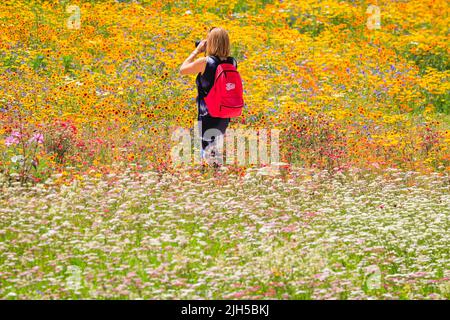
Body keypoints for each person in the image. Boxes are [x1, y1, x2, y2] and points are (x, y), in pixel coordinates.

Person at [179, 27, 238, 165]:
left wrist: (197, 50)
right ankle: (217, 178)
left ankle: (213, 179)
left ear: (211, 42)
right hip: (224, 113)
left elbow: (182, 70)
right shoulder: (232, 62)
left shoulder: (206, 62)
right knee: (215, 149)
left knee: (208, 153)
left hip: (208, 114)